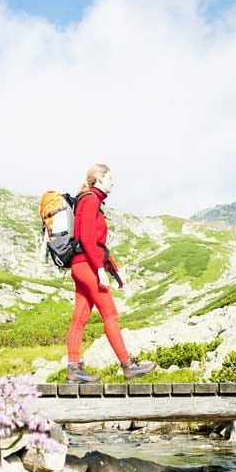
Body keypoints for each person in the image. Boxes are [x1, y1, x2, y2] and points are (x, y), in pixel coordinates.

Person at [65, 163, 156, 383]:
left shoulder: (88, 200)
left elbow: (98, 245)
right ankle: (128, 365)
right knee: (110, 314)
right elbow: (87, 239)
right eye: (110, 178)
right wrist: (99, 270)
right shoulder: (90, 200)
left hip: (81, 265)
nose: (113, 182)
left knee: (80, 318)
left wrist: (115, 273)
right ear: (99, 179)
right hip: (87, 266)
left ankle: (73, 369)